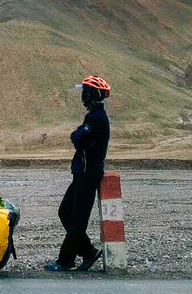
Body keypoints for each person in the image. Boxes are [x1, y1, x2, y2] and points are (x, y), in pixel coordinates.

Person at [45, 76, 111, 272]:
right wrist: (79, 134)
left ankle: (65, 261)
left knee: (77, 221)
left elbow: (78, 139)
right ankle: (88, 252)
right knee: (65, 212)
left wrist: (78, 133)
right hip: (82, 173)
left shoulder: (96, 119)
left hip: (87, 174)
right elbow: (79, 137)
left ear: (90, 95)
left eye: (84, 93)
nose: (82, 97)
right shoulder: (94, 117)